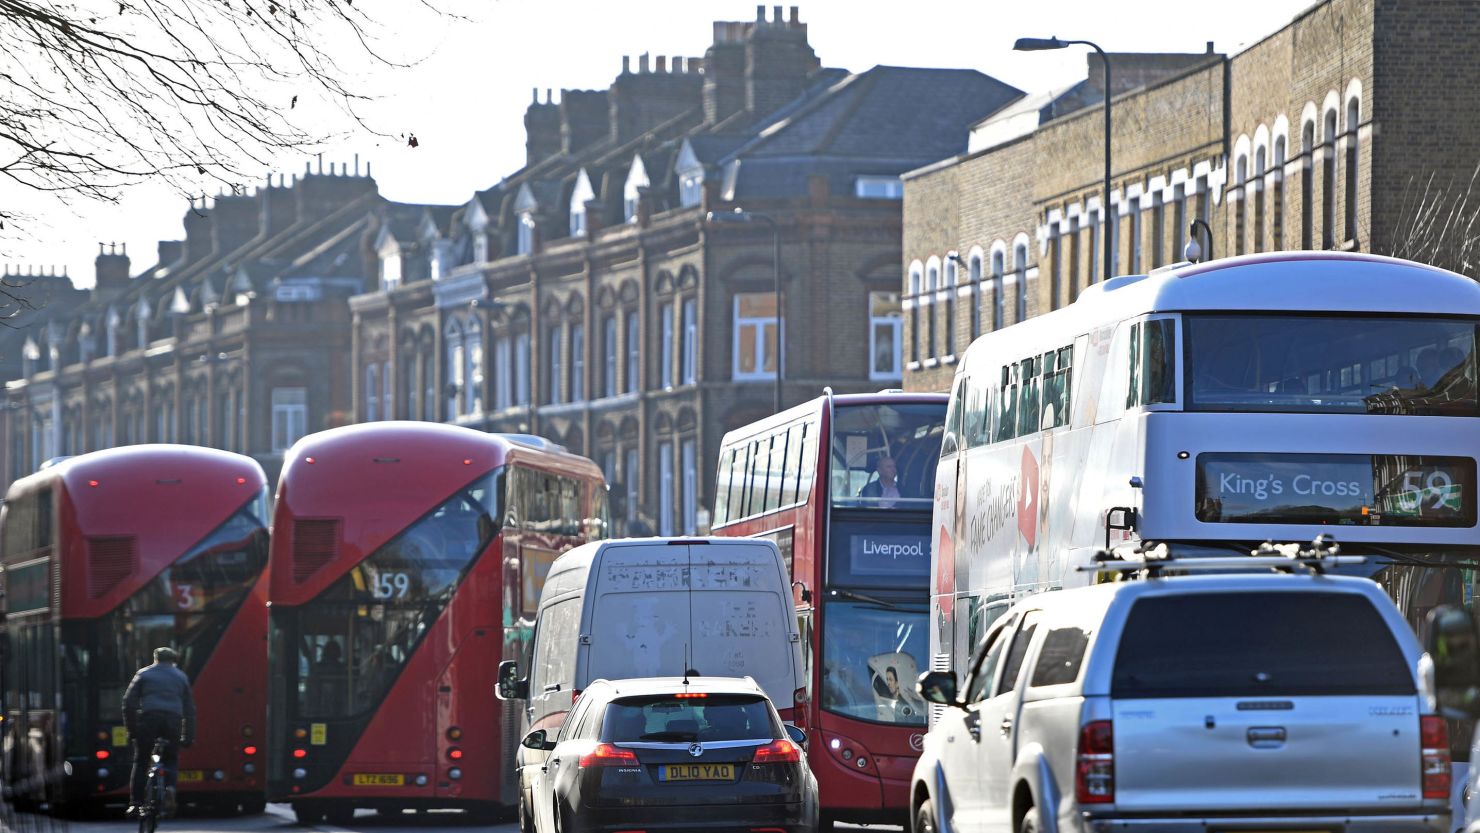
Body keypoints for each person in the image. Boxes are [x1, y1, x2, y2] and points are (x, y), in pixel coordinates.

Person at [123, 647, 196, 819]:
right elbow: (190, 710)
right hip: (173, 721)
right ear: (173, 660)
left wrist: (132, 731)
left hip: (150, 719)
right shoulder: (181, 677)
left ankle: (135, 804)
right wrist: (189, 737)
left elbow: (128, 703)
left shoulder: (144, 674)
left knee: (141, 761)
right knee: (171, 758)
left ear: (155, 658)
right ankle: (170, 788)